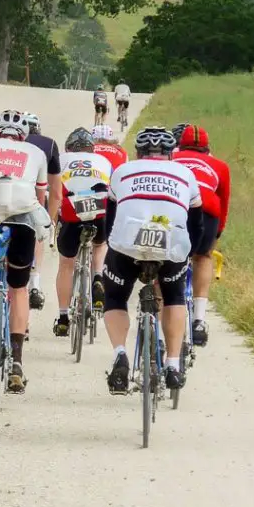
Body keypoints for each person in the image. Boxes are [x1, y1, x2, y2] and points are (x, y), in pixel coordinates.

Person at [102, 127, 205, 395]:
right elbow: (197, 221)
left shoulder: (123, 171)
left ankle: (120, 355)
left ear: (138, 153)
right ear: (171, 155)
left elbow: (109, 218)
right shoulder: (186, 174)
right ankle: (172, 365)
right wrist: (189, 251)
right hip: (171, 241)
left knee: (115, 297)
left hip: (127, 242)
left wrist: (110, 245)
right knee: (174, 297)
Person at [0, 110, 56, 393]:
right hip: (23, 218)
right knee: (19, 289)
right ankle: (17, 362)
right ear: (23, 135)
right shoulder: (36, 153)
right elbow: (41, 198)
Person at [172, 124, 231, 346]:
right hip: (208, 212)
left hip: (178, 208)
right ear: (207, 148)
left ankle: (161, 311)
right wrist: (218, 233)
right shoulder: (220, 166)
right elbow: (224, 203)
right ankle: (198, 319)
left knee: (168, 258)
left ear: (180, 144)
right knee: (203, 257)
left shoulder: (172, 158)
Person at [52, 127, 113, 336]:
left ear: (68, 148)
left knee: (66, 264)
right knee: (100, 244)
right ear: (91, 148)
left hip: (71, 210)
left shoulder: (61, 159)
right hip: (99, 207)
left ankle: (62, 317)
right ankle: (97, 277)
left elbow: (54, 192)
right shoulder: (103, 161)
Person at [23, 111, 62, 310]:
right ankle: (35, 283)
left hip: (9, 198)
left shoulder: (7, 142)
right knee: (38, 234)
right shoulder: (50, 144)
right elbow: (56, 192)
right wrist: (51, 220)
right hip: (38, 198)